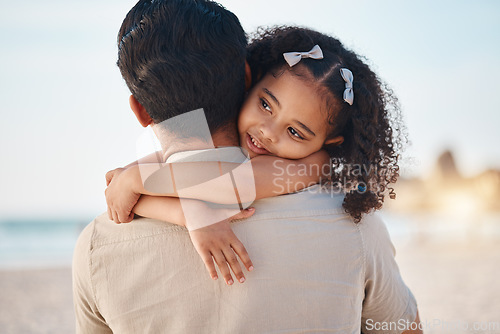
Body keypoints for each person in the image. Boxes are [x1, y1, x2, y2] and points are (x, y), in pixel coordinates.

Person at [73, 1, 422, 333]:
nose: (267, 133)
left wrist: (138, 182)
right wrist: (187, 212)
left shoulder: (310, 167)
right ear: (248, 81)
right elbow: (192, 177)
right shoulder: (357, 230)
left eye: (295, 132)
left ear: (140, 111)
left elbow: (224, 186)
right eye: (266, 104)